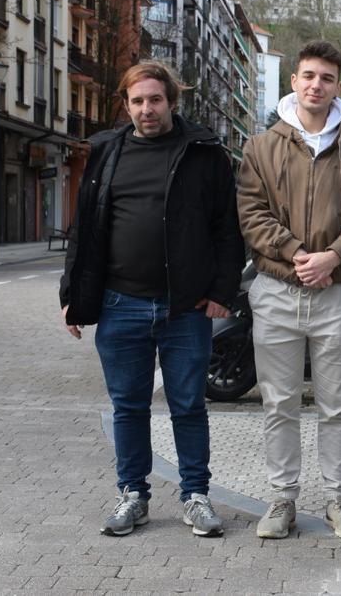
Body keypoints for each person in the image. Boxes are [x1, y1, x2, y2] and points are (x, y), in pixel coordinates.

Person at [59, 61, 243, 538]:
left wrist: (223, 292)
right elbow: (84, 230)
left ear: (171, 102)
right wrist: (73, 296)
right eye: (137, 101)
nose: (147, 109)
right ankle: (133, 495)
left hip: (186, 308)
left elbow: (227, 228)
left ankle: (195, 496)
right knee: (129, 406)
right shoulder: (105, 153)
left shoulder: (204, 152)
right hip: (120, 304)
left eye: (155, 100)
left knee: (188, 405)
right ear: (126, 105)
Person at [237, 41, 341, 539]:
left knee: (336, 404)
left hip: (336, 293)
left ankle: (338, 500)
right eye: (308, 76)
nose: (315, 85)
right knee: (279, 402)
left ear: (337, 86)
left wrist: (334, 256)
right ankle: (282, 500)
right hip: (277, 290)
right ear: (294, 82)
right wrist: (298, 253)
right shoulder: (261, 147)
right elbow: (251, 214)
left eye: (326, 77)